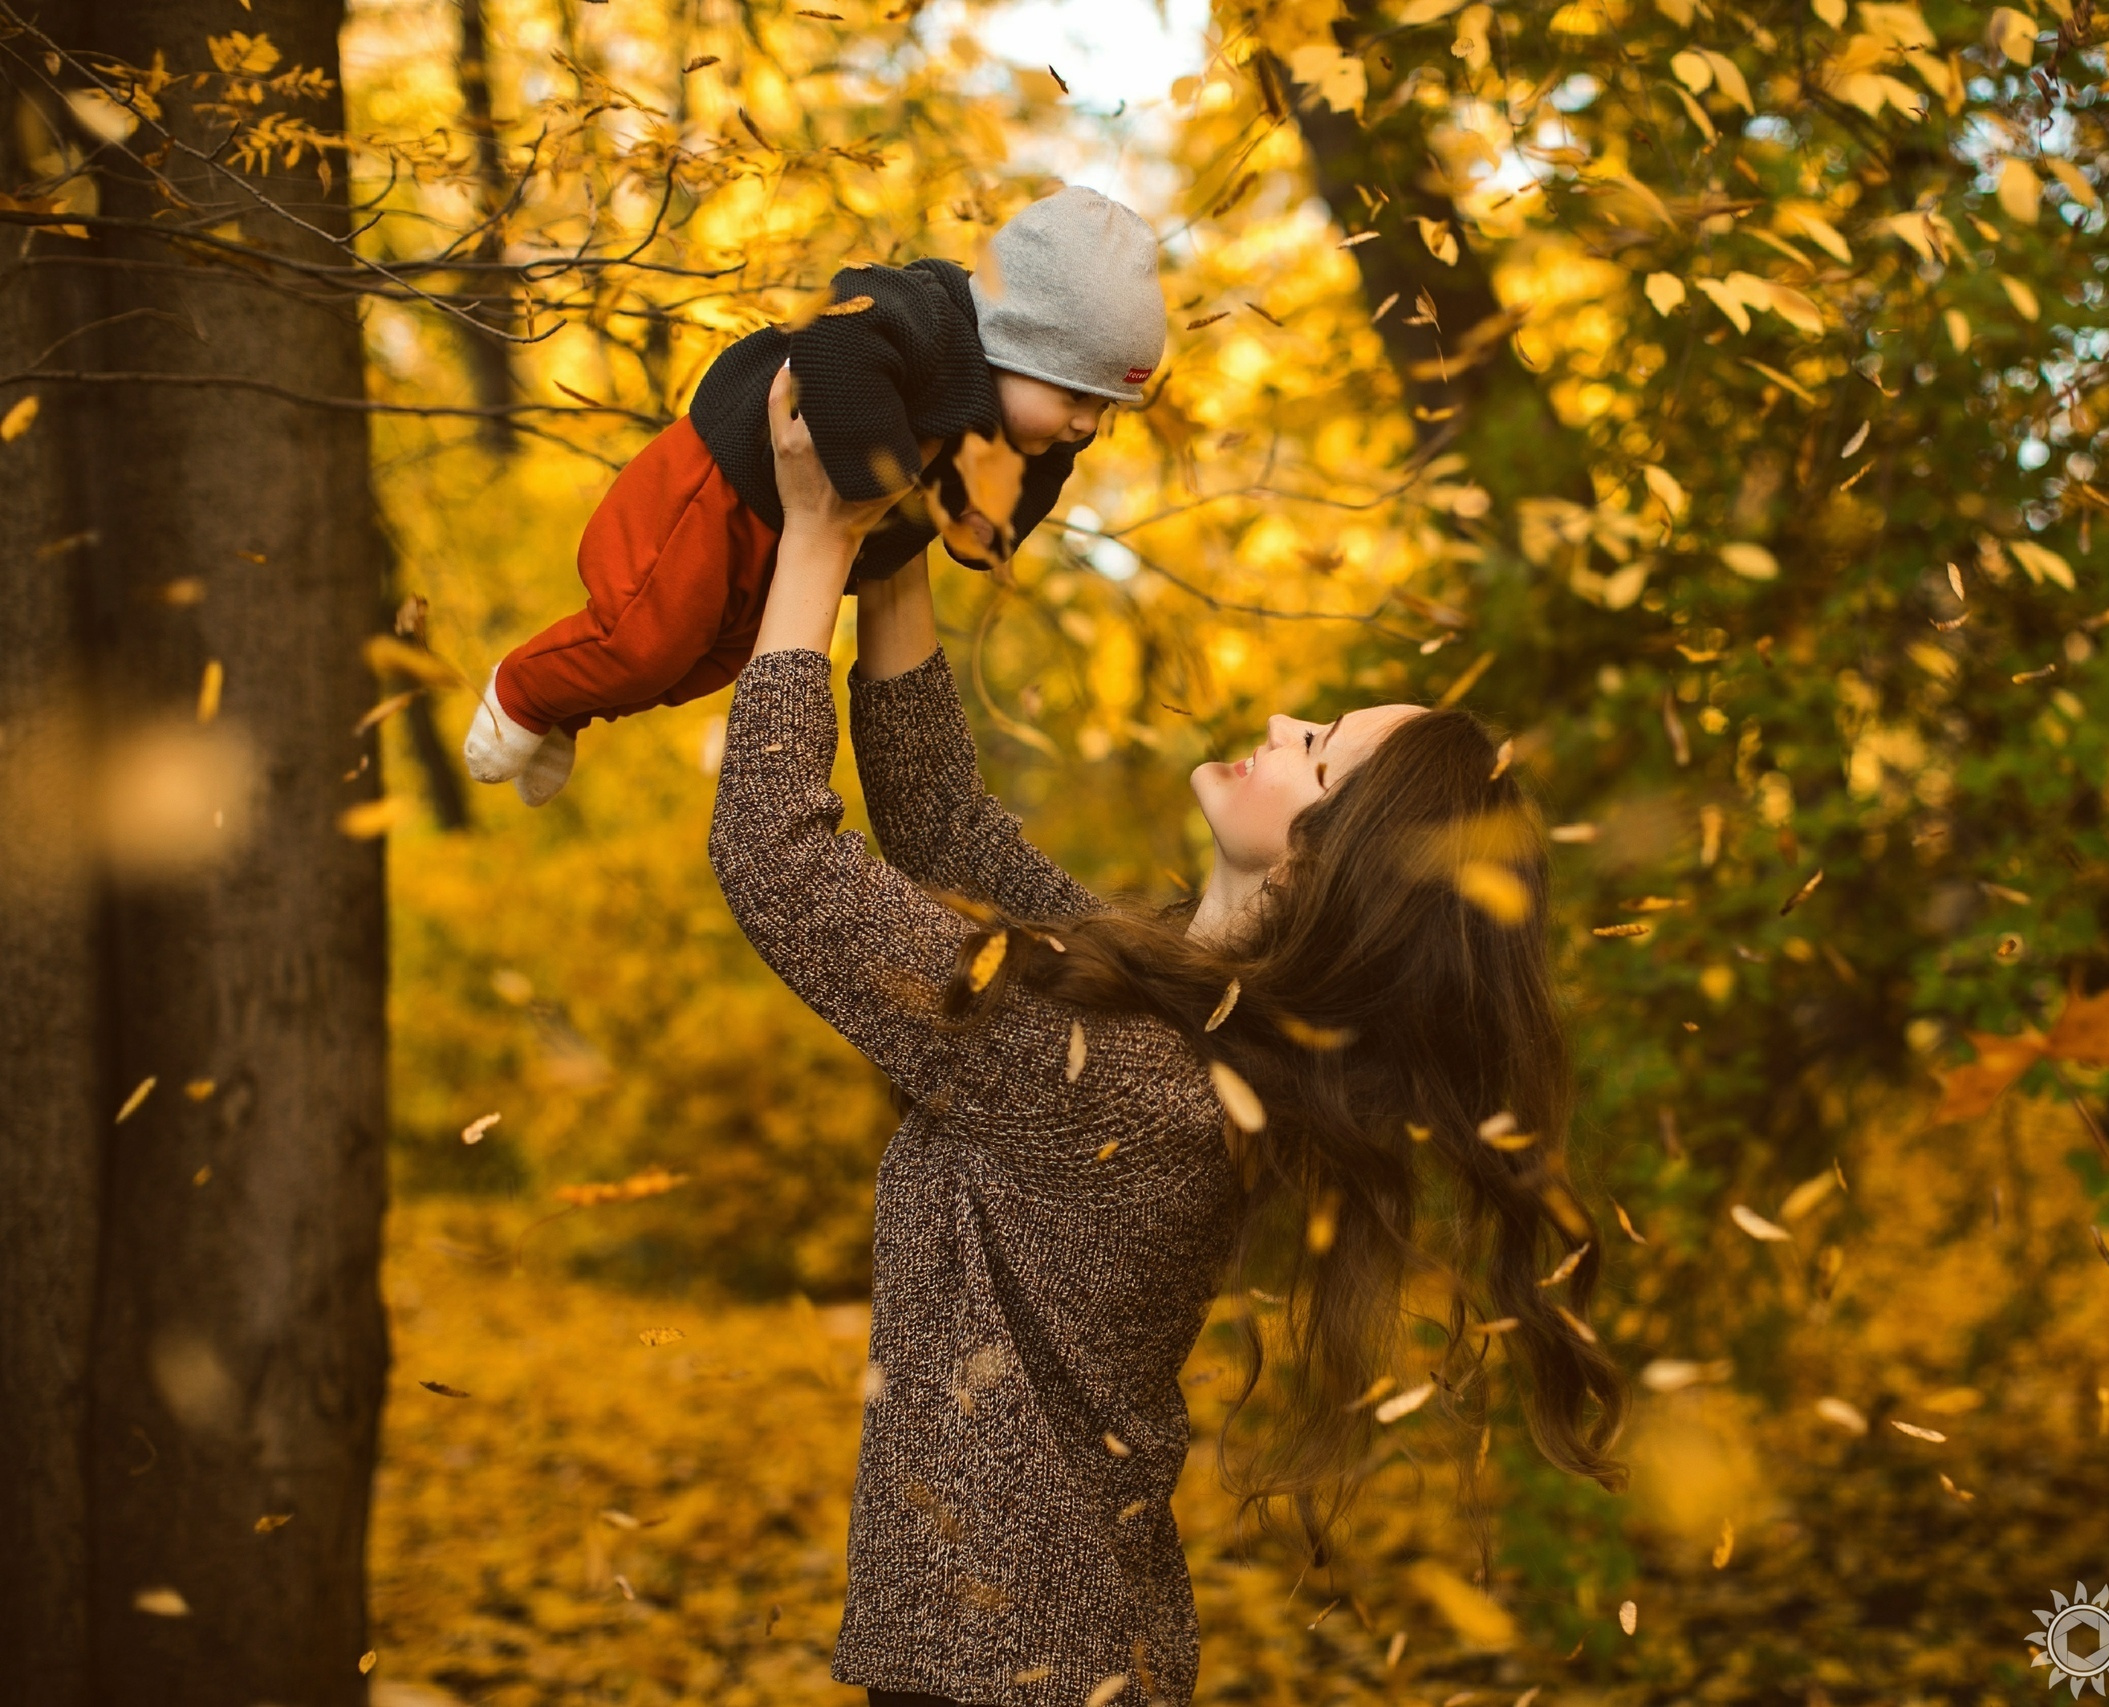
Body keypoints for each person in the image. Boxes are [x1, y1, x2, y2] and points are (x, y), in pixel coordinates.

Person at [710, 366, 1625, 1707]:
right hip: (1034, 1655)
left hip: (1011, 1673)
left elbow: (778, 861)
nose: (1275, 723)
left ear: (1325, 872)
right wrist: (898, 542)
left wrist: (813, 535)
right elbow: (948, 831)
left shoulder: (1132, 1083)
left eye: (1314, 750)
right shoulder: (1175, 1014)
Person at [465, 186, 1164, 805]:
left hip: (776, 541)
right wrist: (883, 482)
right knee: (644, 640)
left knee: (703, 662)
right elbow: (834, 328)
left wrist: (1014, 497)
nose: (1084, 425)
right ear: (1017, 343)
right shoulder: (927, 318)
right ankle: (523, 690)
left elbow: (989, 528)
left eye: (1103, 409)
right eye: (1075, 395)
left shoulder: (1010, 421)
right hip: (713, 494)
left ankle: (567, 709)